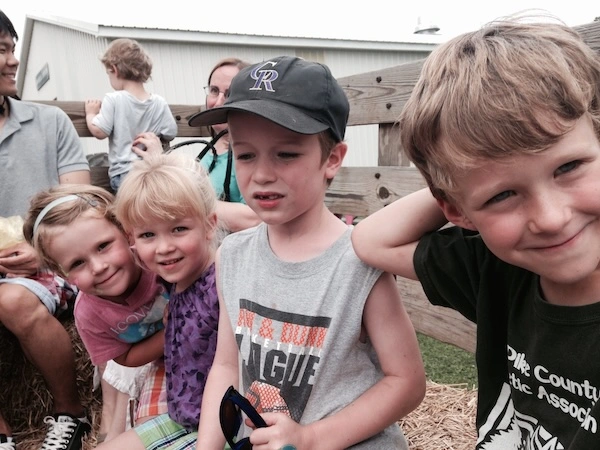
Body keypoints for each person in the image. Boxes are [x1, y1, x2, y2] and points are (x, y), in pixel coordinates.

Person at [351, 18, 600, 449]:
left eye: (568, 167)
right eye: (504, 195)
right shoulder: (493, 268)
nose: (551, 218)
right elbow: (372, 240)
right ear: (457, 212)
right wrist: (459, 189)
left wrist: (484, 187)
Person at [190, 55, 426, 450]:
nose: (262, 173)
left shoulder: (357, 262)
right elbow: (228, 365)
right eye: (246, 154)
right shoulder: (231, 255)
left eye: (286, 154)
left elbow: (406, 382)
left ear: (331, 159)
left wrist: (311, 439)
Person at [0, 9, 91, 450]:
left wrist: (43, 252)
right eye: (1, 49)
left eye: (13, 48)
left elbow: (81, 205)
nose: (13, 60)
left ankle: (71, 413)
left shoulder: (50, 123)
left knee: (12, 299)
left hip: (48, 266)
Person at [22, 184, 169, 442]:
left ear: (126, 232)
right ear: (61, 274)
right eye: (78, 263)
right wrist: (174, 332)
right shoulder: (88, 314)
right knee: (134, 426)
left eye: (103, 246)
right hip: (142, 360)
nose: (99, 267)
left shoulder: (157, 260)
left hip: (195, 344)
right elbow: (124, 358)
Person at [95, 151, 220, 450]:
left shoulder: (222, 284)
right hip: (182, 415)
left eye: (179, 229)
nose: (164, 247)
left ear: (209, 225)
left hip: (223, 425)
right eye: (149, 234)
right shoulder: (170, 279)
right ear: (132, 239)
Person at [85, 38, 178, 192]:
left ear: (114, 70)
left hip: (123, 175)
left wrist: (91, 113)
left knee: (128, 214)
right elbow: (170, 132)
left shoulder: (114, 99)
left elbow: (99, 131)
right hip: (149, 172)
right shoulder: (159, 102)